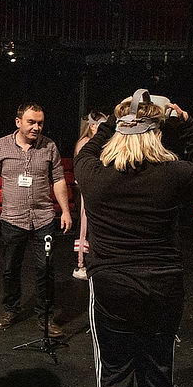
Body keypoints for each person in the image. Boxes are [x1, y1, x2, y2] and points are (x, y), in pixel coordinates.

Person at [73, 90, 193, 387]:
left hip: (113, 284)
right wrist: (185, 123)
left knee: (116, 369)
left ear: (117, 130)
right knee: (157, 359)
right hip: (164, 283)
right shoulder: (173, 174)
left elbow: (87, 149)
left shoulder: (94, 174)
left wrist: (114, 116)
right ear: (157, 133)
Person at [0, 103, 72, 337]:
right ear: (18, 122)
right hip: (13, 219)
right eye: (31, 122)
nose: (36, 127)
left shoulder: (49, 146)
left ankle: (45, 316)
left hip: (44, 218)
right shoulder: (0, 147)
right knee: (11, 268)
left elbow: (59, 179)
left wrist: (65, 210)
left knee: (46, 268)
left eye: (40, 122)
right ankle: (11, 309)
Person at [72, 111, 107, 280]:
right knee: (84, 226)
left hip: (97, 189)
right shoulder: (85, 143)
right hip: (85, 190)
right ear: (92, 126)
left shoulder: (99, 144)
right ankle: (80, 264)